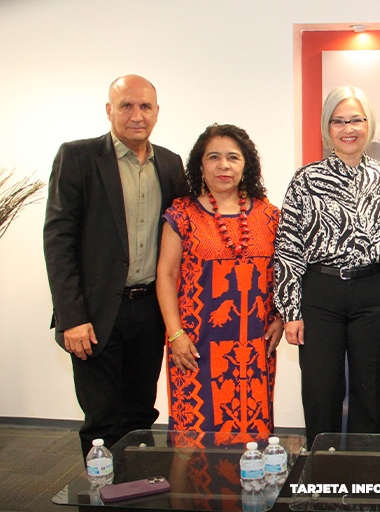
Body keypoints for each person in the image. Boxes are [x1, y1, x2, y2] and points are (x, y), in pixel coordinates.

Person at [44, 75, 188, 457]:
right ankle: (104, 488)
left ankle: (138, 484)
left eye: (145, 107)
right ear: (109, 110)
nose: (136, 115)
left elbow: (183, 235)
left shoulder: (170, 164)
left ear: (157, 112)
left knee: (141, 414)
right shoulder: (78, 157)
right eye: (126, 105)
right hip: (94, 315)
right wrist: (72, 317)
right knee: (102, 419)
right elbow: (58, 242)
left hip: (149, 311)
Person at [274, 86, 380, 449]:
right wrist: (291, 311)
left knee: (370, 394)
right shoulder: (305, 180)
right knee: (321, 393)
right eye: (338, 121)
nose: (347, 129)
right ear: (327, 127)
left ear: (369, 124)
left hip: (375, 293)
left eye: (356, 120)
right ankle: (323, 471)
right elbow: (288, 248)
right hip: (321, 295)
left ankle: (363, 473)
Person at [156, 123, 283, 436]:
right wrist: (175, 335)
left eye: (233, 157)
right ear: (200, 166)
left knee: (254, 435)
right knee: (194, 434)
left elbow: (284, 273)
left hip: (254, 349)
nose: (223, 165)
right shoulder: (181, 215)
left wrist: (281, 317)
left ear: (246, 165)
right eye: (213, 157)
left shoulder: (270, 216)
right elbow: (166, 275)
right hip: (194, 345)